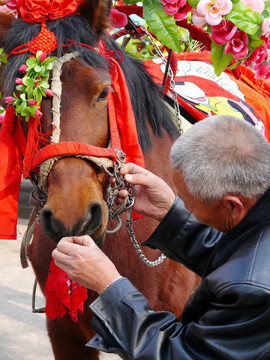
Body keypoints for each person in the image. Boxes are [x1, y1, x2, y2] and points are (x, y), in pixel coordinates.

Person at [52, 115, 270, 359]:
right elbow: (237, 257)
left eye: (189, 203)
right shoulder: (257, 222)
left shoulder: (253, 292)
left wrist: (109, 285)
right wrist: (170, 212)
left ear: (233, 206)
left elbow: (181, 355)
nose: (184, 204)